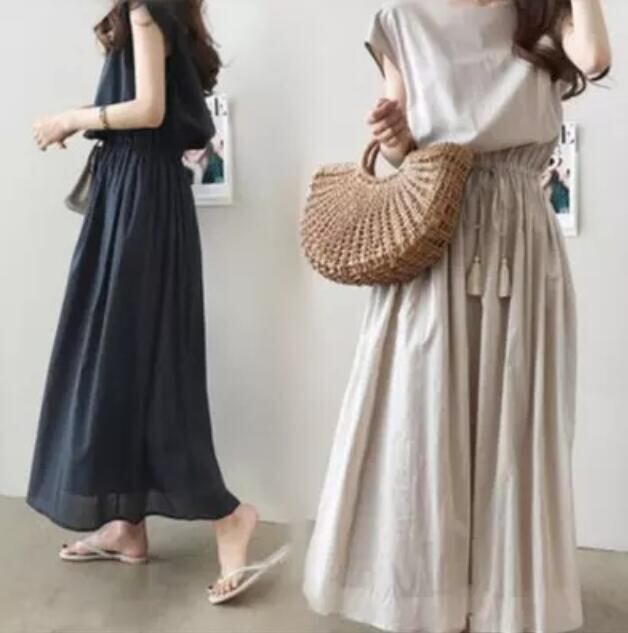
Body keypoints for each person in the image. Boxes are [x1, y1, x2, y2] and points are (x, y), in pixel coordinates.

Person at [304, 1, 610, 632]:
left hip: (520, 243)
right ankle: (435, 600)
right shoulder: (400, 16)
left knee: (514, 422)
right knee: (424, 421)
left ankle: (499, 601)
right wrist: (395, 139)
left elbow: (597, 58)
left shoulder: (543, 10)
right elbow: (407, 150)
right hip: (435, 236)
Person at [29, 0, 287, 603]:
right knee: (127, 357)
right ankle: (127, 525)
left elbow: (149, 108)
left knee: (143, 360)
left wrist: (72, 118)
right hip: (136, 192)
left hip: (139, 196)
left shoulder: (146, 8)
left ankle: (229, 515)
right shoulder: (160, 12)